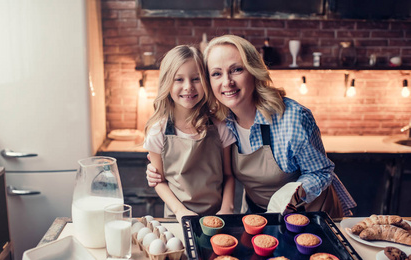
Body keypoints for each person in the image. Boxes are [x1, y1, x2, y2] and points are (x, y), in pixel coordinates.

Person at [147, 35, 356, 218]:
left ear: (253, 71)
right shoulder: (222, 119)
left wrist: (294, 192)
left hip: (312, 214)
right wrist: (157, 171)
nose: (227, 82)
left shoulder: (293, 119)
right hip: (259, 214)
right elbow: (200, 158)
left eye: (236, 70)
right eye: (217, 73)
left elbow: (321, 172)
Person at [143, 45, 236, 223]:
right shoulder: (158, 132)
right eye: (179, 79)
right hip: (176, 217)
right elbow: (158, 181)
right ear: (167, 83)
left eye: (196, 79)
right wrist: (180, 211)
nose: (188, 87)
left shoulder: (220, 128)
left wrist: (227, 209)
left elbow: (228, 176)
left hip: (217, 216)